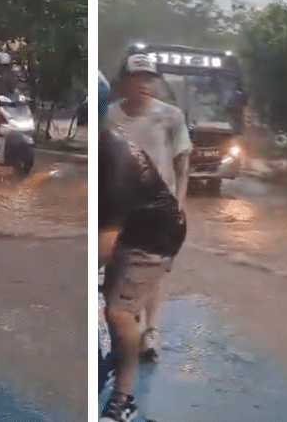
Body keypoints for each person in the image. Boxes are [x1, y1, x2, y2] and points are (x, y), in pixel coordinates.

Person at [99, 71, 187, 422]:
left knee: (118, 311)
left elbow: (103, 250)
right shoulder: (106, 147)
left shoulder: (118, 163)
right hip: (132, 224)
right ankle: (123, 351)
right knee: (110, 299)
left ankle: (123, 399)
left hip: (158, 235)